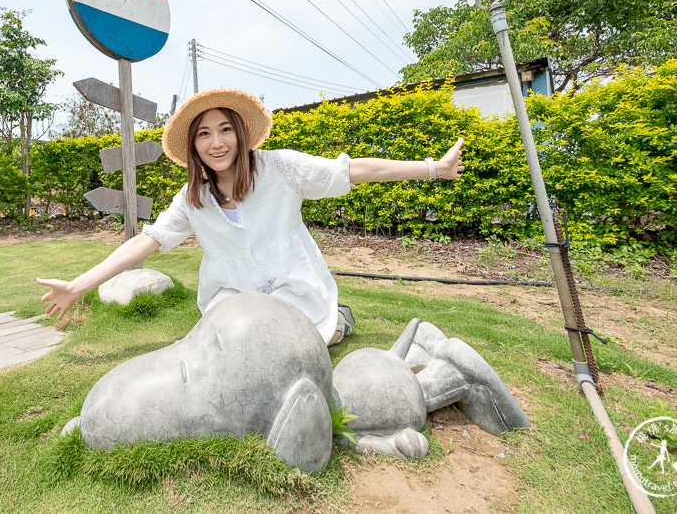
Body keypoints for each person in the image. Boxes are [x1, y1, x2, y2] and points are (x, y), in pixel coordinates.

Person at [38, 88, 464, 346]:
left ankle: (338, 321)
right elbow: (143, 243)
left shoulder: (280, 168)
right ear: (193, 147)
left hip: (292, 289)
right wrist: (77, 286)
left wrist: (433, 168)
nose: (216, 142)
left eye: (225, 129)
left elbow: (351, 170)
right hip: (232, 298)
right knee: (231, 345)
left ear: (240, 135)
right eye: (203, 134)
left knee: (305, 342)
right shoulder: (192, 199)